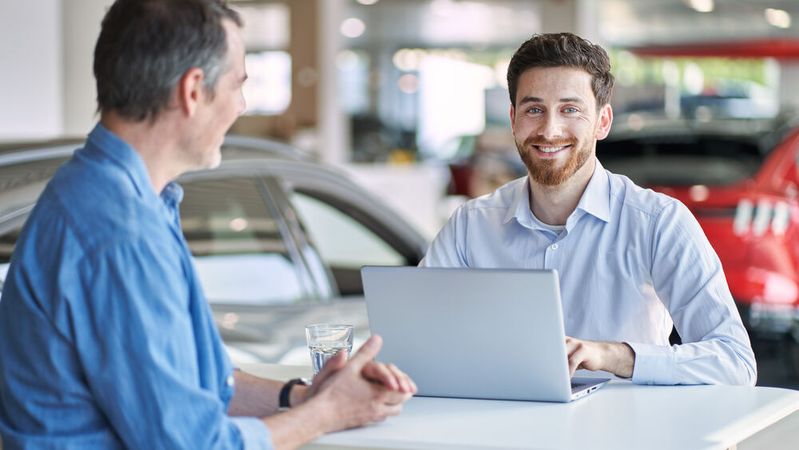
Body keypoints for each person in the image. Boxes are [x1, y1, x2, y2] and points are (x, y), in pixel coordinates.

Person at [0, 1, 415, 449]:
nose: (241, 106)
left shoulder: (119, 197)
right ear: (193, 90)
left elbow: (202, 386)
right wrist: (329, 413)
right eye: (238, 85)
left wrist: (301, 396)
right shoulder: (119, 232)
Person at [422, 32, 757, 386]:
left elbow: (735, 363)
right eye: (534, 109)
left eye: (570, 110)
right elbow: (419, 338)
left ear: (603, 122)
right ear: (513, 120)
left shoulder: (658, 222)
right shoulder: (470, 225)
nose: (549, 130)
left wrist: (612, 356)